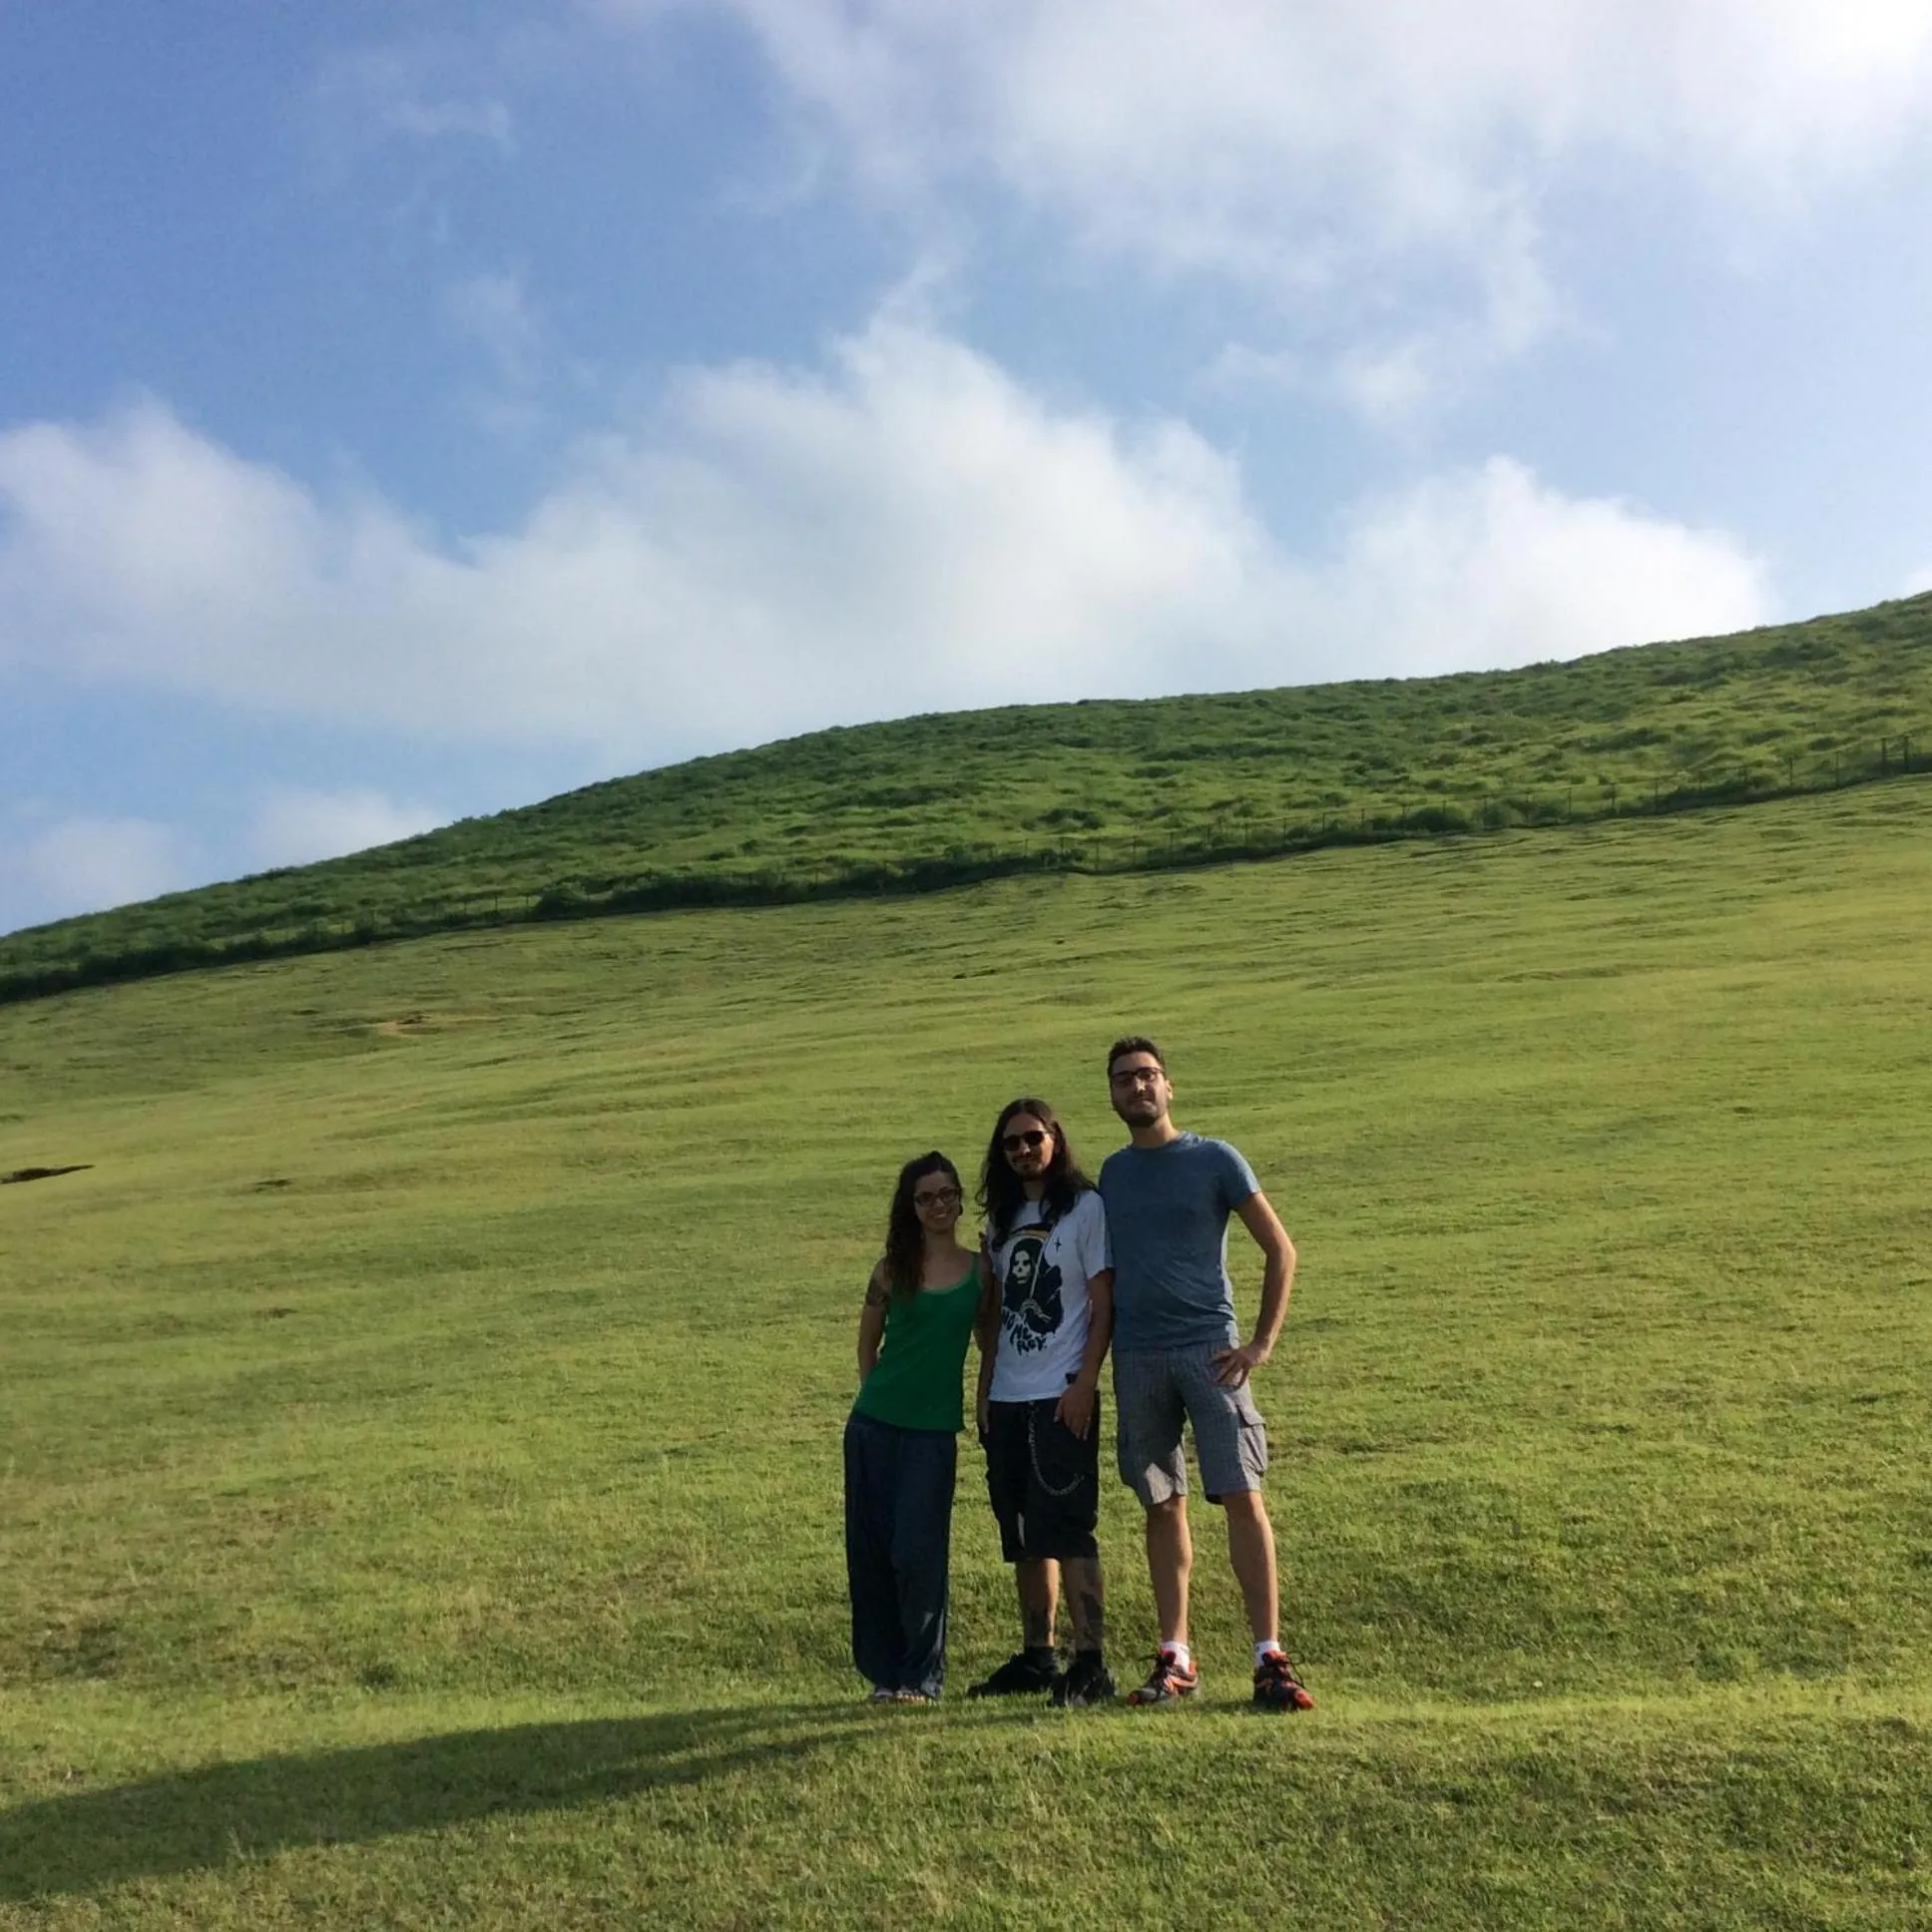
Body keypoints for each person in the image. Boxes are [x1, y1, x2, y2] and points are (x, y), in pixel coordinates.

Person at [1098, 1037, 1315, 1712]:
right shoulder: (1111, 1173)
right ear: (1112, 1095)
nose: (1137, 1088)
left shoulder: (1215, 1158)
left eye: (1147, 1076)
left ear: (1170, 1087)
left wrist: (1260, 1344)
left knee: (1242, 1494)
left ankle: (1268, 1657)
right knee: (1161, 1503)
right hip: (1136, 1355)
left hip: (1209, 1351)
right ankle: (1176, 1656)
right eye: (1124, 1079)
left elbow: (1280, 1248)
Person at [967, 1098, 1117, 1706]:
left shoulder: (1085, 1207)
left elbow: (1104, 1303)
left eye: (1034, 1138)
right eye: (1012, 1144)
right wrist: (984, 1384)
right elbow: (995, 1313)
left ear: (1055, 1138)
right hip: (1007, 1396)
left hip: (1061, 1395)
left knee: (1070, 1528)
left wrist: (1084, 1382)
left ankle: (1092, 1662)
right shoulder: (1002, 1220)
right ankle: (1039, 1657)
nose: (1025, 1150)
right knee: (1023, 1534)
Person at [844, 1152, 987, 1702]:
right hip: (874, 1426)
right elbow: (867, 1346)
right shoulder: (889, 1270)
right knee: (873, 1552)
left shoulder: (981, 1271)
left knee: (919, 1554)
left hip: (933, 1433)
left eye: (948, 1193)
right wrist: (873, 1399)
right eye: (926, 1197)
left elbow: (988, 1343)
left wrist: (981, 1401)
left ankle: (922, 1678)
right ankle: (885, 1675)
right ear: (912, 1206)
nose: (939, 1205)